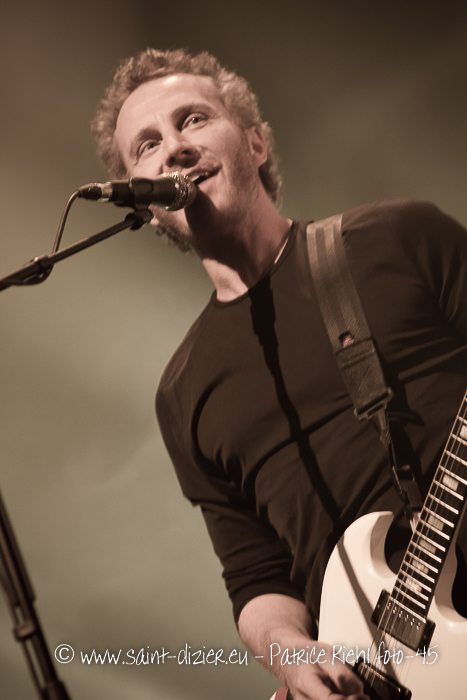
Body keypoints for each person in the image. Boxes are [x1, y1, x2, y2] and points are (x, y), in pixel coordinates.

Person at [92, 48, 467, 700]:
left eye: (193, 119)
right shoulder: (183, 395)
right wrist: (292, 654)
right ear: (144, 202)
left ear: (256, 142)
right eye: (146, 145)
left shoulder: (399, 237)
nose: (174, 148)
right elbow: (256, 576)